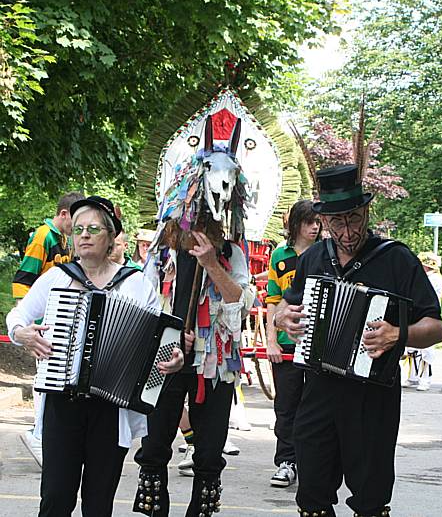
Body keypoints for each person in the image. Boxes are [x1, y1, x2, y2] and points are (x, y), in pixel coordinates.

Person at [276, 164, 442, 517]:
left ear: (367, 211)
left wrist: (400, 334)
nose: (348, 231)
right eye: (338, 222)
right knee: (311, 495)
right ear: (324, 221)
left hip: (373, 398)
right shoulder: (313, 258)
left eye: (354, 219)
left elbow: (436, 327)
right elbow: (286, 305)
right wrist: (283, 317)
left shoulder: (395, 258)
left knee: (370, 499)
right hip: (318, 390)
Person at [6, 195, 184, 517]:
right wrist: (23, 334)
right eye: (78, 230)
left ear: (111, 235)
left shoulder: (135, 284)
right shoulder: (57, 278)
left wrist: (175, 359)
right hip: (62, 402)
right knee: (56, 498)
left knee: (99, 502)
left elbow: (165, 343)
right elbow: (16, 317)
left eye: (93, 229)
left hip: (111, 408)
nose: (84, 235)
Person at [133, 219, 254, 516]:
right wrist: (171, 333)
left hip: (216, 364)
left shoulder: (231, 253)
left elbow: (242, 304)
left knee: (210, 453)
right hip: (164, 360)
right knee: (153, 448)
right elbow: (144, 307)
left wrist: (212, 264)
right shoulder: (163, 254)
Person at [12, 190, 84, 466]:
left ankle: (43, 435)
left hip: (56, 317)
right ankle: (38, 436)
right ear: (63, 214)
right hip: (41, 319)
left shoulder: (63, 239)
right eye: (75, 219)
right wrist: (27, 325)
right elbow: (24, 277)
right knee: (45, 379)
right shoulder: (44, 236)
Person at [265, 199, 321, 487]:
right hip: (286, 344)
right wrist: (271, 341)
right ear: (296, 224)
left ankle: (312, 462)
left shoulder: (328, 254)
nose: (315, 227)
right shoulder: (280, 256)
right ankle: (286, 461)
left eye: (318, 222)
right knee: (285, 406)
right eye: (309, 221)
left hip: (319, 344)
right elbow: (272, 300)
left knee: (315, 407)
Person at [401, 251, 442, 391]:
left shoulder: (434, 279)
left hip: (426, 316)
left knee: (426, 351)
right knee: (412, 349)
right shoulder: (423, 277)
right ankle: (413, 376)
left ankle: (425, 379)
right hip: (415, 315)